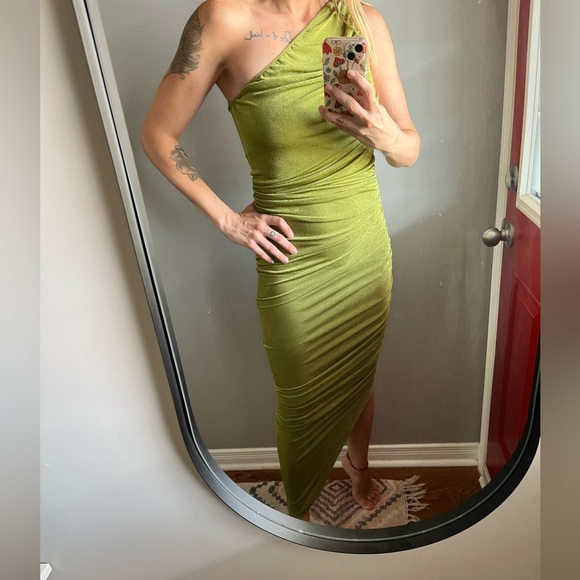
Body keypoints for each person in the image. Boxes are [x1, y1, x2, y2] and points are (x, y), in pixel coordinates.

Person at [141, 0, 420, 522]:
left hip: (361, 247)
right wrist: (229, 220)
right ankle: (299, 513)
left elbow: (408, 149)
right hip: (291, 255)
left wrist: (383, 135)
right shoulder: (222, 19)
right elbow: (157, 135)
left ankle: (358, 468)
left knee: (358, 380)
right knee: (299, 400)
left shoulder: (363, 21)